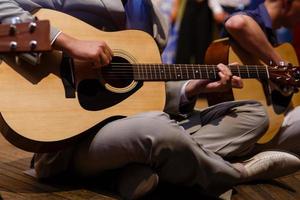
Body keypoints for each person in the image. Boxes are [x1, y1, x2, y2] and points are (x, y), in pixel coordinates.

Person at [1, 0, 300, 199]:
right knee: (157, 127)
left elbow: (133, 89)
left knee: (252, 113)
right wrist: (67, 42)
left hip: (128, 124)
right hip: (69, 141)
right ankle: (235, 172)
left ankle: (135, 168)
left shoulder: (154, 15)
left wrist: (191, 89)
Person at [224, 0, 300, 156]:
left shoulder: (272, 37)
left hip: (269, 128)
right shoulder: (255, 19)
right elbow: (236, 23)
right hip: (245, 132)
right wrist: (283, 67)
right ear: (286, 3)